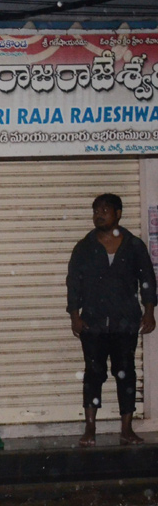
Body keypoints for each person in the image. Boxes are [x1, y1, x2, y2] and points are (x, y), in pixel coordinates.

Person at [66, 192, 157, 447]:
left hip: (125, 323)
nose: (99, 214)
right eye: (96, 210)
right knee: (93, 375)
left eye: (105, 210)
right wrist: (75, 316)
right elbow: (73, 283)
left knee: (126, 374)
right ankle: (90, 428)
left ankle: (126, 430)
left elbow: (147, 280)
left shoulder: (134, 245)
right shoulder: (84, 247)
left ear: (118, 214)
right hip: (92, 324)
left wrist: (149, 312)